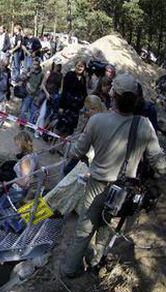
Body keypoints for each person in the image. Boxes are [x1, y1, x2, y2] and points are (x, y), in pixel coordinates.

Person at [61, 74, 166, 278]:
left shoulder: (97, 120)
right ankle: (94, 262)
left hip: (96, 185)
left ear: (114, 95)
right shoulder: (144, 125)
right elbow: (159, 163)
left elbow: (77, 151)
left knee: (84, 228)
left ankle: (70, 269)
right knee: (106, 226)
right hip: (123, 190)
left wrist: (71, 147)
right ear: (136, 98)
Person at [0, 132, 39, 233]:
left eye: (16, 144)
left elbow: (25, 183)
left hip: (17, 189)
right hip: (22, 190)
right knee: (9, 205)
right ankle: (6, 225)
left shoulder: (25, 161)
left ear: (21, 144)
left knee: (1, 206)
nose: (15, 147)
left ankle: (17, 227)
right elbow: (38, 170)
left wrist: (12, 178)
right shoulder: (34, 155)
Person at [56, 60, 87, 136]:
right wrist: (61, 106)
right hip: (66, 106)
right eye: (78, 65)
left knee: (69, 131)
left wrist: (81, 104)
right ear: (75, 65)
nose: (79, 68)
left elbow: (84, 93)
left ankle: (61, 147)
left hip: (75, 110)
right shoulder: (69, 75)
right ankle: (52, 144)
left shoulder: (84, 79)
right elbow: (64, 91)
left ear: (84, 68)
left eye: (82, 66)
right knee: (60, 128)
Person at [34, 62, 63, 137]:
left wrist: (57, 96)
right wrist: (47, 93)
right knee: (42, 115)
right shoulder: (49, 72)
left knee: (47, 116)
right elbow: (43, 84)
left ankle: (41, 131)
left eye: (59, 65)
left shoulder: (61, 75)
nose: (57, 66)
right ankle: (37, 131)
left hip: (53, 97)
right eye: (57, 64)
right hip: (45, 95)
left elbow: (60, 88)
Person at [19, 59, 44, 126]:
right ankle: (22, 123)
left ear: (39, 65)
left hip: (35, 95)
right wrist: (28, 74)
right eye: (34, 64)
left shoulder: (41, 74)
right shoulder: (28, 70)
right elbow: (21, 78)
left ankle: (30, 125)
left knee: (32, 112)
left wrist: (38, 95)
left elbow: (41, 85)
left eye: (36, 64)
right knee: (23, 110)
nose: (35, 66)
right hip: (27, 93)